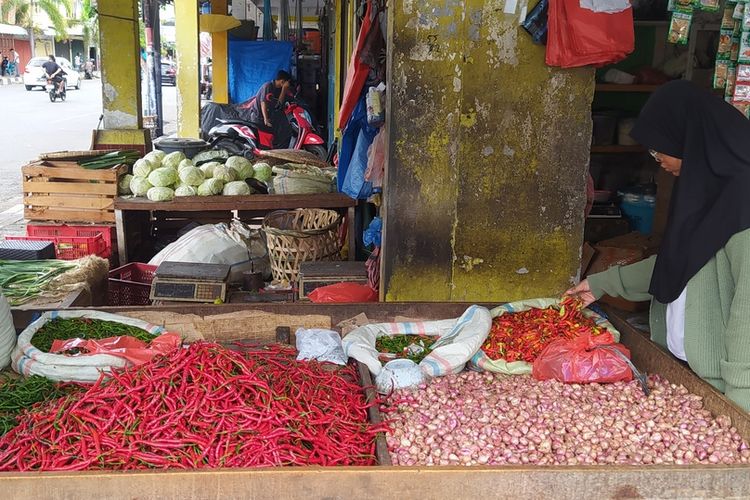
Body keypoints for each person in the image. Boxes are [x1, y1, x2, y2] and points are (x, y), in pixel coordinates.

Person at [565, 80, 750, 411]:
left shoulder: (743, 204)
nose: (657, 160)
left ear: (688, 138)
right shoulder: (705, 191)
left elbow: (747, 313)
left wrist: (739, 402)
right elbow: (679, 264)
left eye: (657, 149)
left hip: (726, 394)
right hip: (689, 379)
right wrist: (602, 284)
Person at [249, 70, 293, 148]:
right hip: (259, 117)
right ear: (282, 81)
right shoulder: (268, 86)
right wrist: (265, 119)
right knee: (261, 141)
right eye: (287, 83)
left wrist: (284, 90)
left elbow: (279, 104)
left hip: (269, 117)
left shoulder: (279, 89)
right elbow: (263, 103)